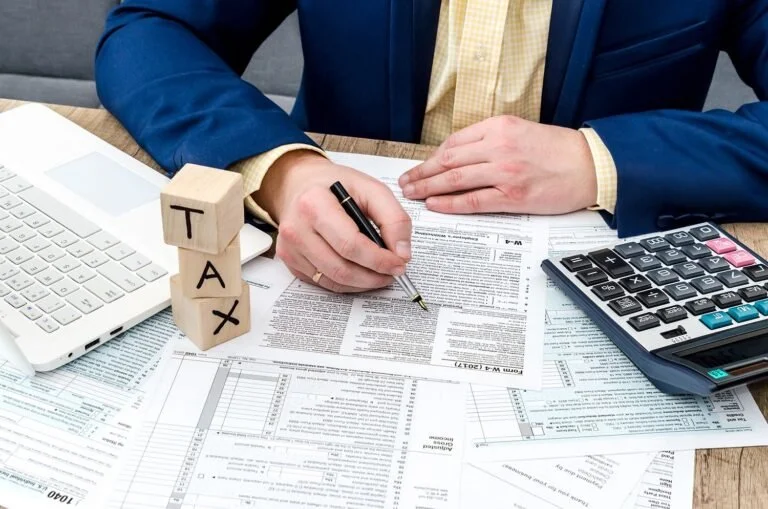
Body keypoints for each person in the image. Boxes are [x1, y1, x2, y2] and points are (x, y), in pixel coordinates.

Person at [95, 1, 768, 294]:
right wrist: (283, 172)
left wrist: (601, 159)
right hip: (320, 246)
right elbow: (150, 30)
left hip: (610, 267)